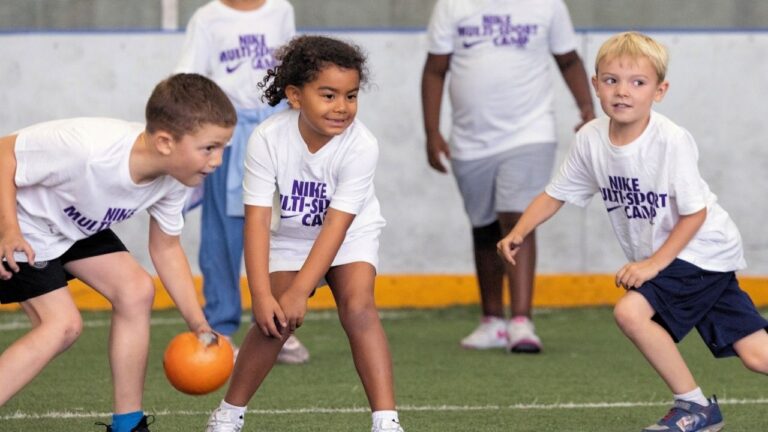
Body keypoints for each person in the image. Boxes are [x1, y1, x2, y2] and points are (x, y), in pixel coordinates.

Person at [498, 31, 768, 431]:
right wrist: (519, 230)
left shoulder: (670, 140)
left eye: (637, 83)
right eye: (611, 81)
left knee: (630, 312)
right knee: (757, 355)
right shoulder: (590, 139)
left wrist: (651, 265)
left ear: (660, 91)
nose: (622, 92)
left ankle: (695, 408)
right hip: (692, 257)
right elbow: (557, 193)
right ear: (596, 85)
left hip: (699, 250)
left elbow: (694, 215)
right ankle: (697, 409)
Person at [0, 73, 236, 432]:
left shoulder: (176, 179)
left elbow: (167, 248)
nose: (217, 160)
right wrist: (8, 230)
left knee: (136, 290)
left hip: (70, 226)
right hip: (19, 221)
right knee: (62, 326)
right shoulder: (86, 147)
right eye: (209, 148)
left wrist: (198, 323)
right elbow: (3, 154)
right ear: (165, 142)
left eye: (222, 148)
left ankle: (128, 425)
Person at [204, 35, 404, 432]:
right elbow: (258, 222)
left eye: (351, 96)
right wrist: (262, 296)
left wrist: (301, 291)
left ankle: (386, 421)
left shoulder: (362, 145)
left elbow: (336, 226)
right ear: (295, 96)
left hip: (349, 234)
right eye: (328, 95)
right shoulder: (267, 139)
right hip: (290, 238)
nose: (342, 107)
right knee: (276, 319)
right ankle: (228, 415)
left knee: (359, 307)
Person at [421, 0, 595, 353]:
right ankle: (492, 321)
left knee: (517, 217)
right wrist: (432, 132)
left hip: (529, 132)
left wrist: (587, 108)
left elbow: (569, 60)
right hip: (470, 140)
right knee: (484, 226)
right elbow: (435, 70)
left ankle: (520, 321)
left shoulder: (547, 5)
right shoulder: (452, 5)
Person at [175, 0, 309, 364]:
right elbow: (188, 80)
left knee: (279, 229)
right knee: (224, 235)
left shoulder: (281, 9)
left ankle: (276, 325)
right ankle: (220, 327)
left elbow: (292, 69)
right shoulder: (207, 18)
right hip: (230, 139)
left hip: (277, 133)